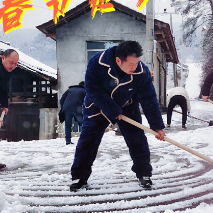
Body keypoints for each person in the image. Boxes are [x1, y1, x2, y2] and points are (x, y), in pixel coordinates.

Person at [70, 41, 165, 191]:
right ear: (118, 60)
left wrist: (157, 126)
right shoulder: (97, 62)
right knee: (88, 141)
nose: (134, 67)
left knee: (137, 139)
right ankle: (79, 177)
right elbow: (92, 89)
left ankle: (144, 174)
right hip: (97, 106)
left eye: (137, 62)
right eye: (131, 64)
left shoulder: (142, 71)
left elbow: (149, 99)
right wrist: (113, 110)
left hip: (128, 105)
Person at [0, 49, 19, 169]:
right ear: (3, 58)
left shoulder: (6, 72)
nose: (13, 66)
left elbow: (3, 90)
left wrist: (4, 105)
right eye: (11, 62)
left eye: (16, 64)